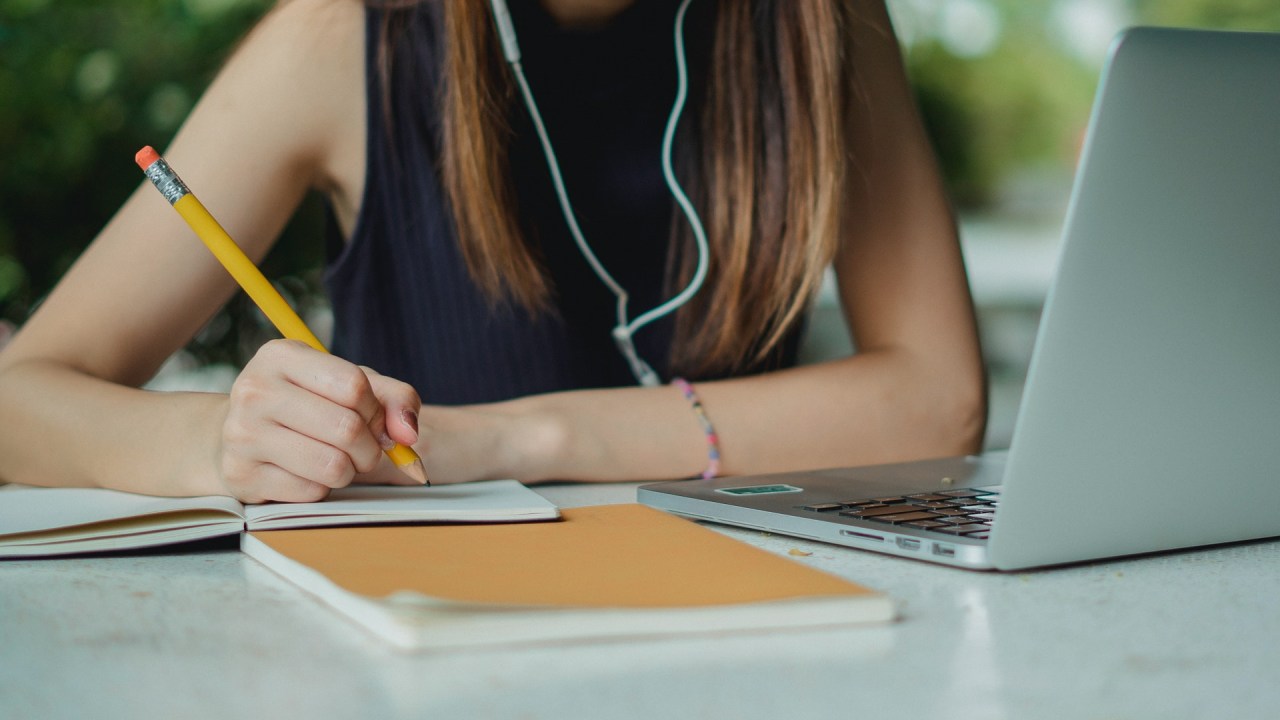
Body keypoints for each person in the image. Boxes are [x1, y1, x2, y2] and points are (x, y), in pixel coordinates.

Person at [0, 0, 986, 504]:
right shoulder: (343, 37)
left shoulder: (818, 28)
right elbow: (20, 400)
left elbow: (934, 403)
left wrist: (523, 440)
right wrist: (215, 445)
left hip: (757, 635)